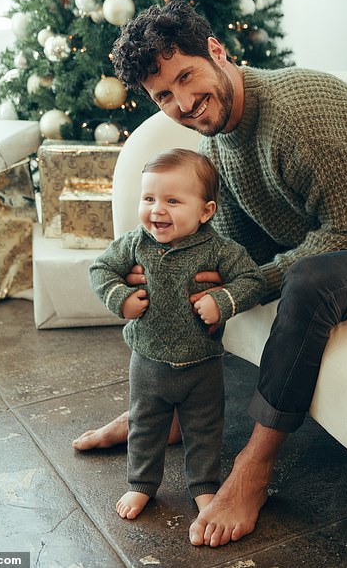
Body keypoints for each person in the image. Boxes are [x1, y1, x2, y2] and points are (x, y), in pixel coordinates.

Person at [75, 0, 347, 548]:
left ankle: (253, 468)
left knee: (305, 281)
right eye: (164, 95)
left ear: (215, 50)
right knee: (196, 264)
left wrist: (259, 281)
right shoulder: (220, 140)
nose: (183, 102)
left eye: (186, 77)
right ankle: (162, 409)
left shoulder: (300, 112)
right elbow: (235, 250)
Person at [88, 147, 265, 521]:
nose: (157, 210)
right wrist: (120, 297)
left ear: (206, 211)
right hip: (148, 362)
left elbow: (254, 280)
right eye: (149, 198)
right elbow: (100, 269)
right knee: (144, 425)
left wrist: (223, 299)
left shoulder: (220, 249)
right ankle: (141, 483)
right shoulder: (136, 242)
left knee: (204, 429)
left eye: (172, 200)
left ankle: (203, 487)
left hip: (202, 363)